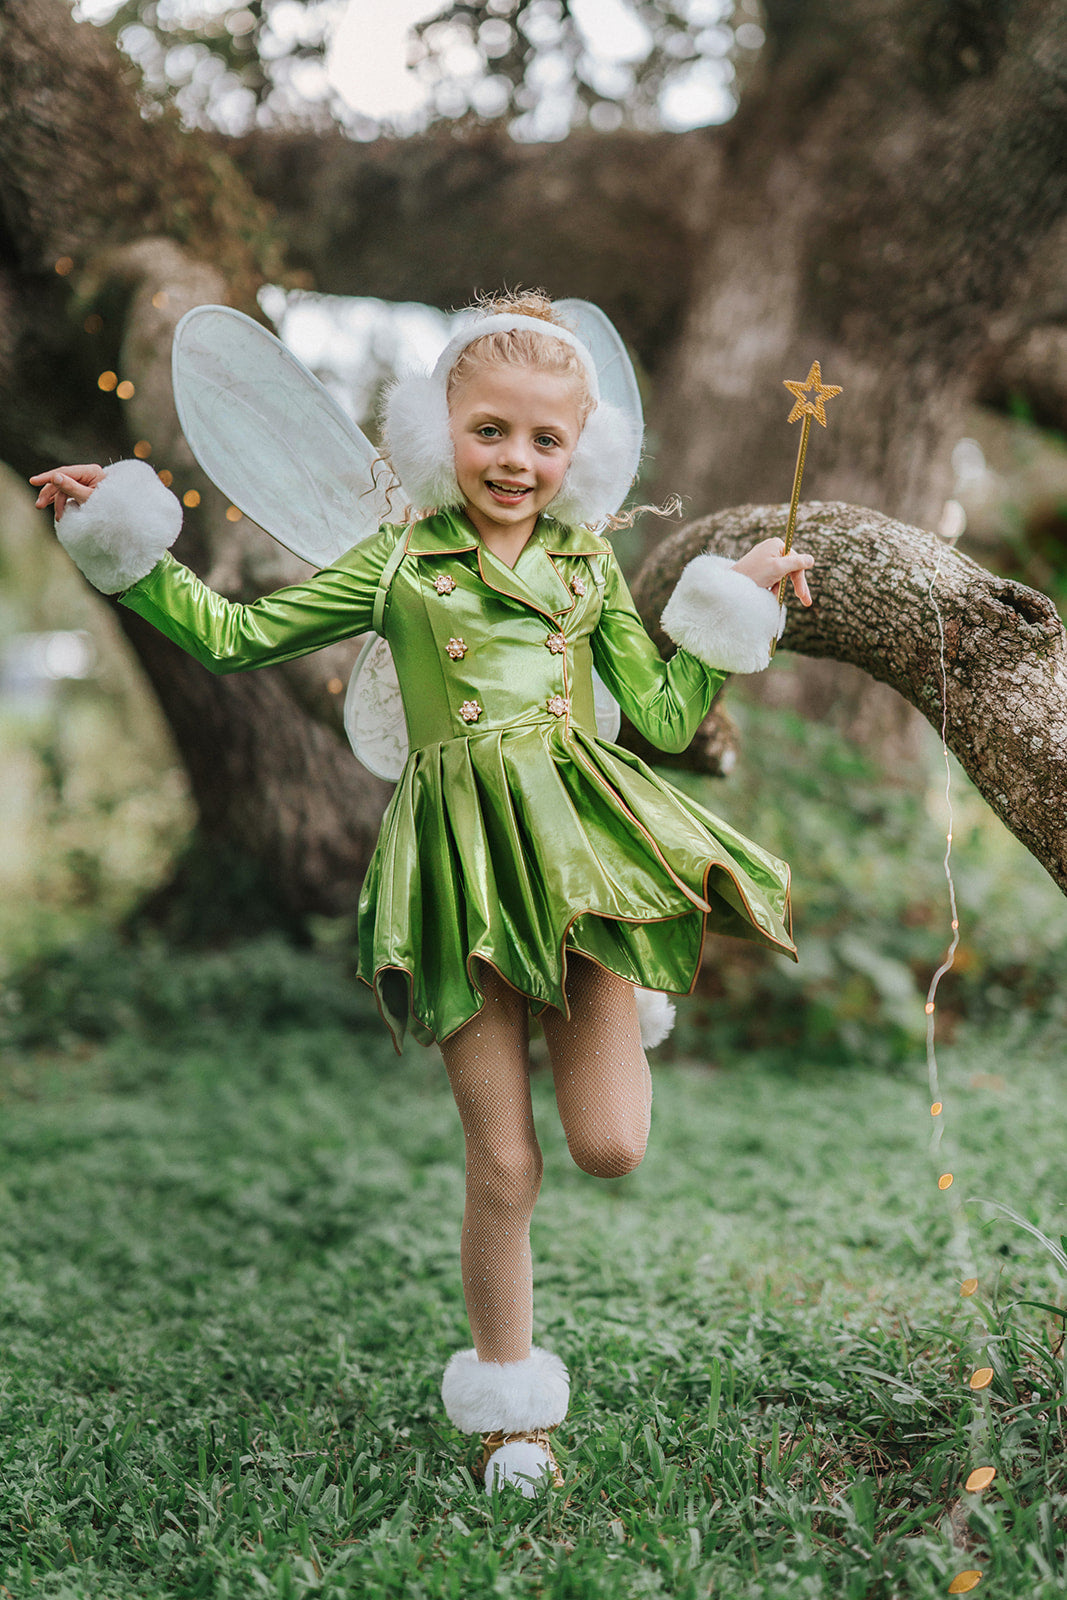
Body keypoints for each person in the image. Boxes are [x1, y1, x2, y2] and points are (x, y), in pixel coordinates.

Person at [32, 291, 813, 1496]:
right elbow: (239, 639)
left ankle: (610, 994)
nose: (516, 459)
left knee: (606, 1145)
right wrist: (127, 548)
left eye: (546, 440)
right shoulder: (399, 563)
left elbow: (658, 714)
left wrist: (730, 600)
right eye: (489, 430)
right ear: (436, 432)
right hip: (452, 872)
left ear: (581, 450)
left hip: (584, 856)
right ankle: (511, 1418)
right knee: (501, 1163)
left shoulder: (585, 565)